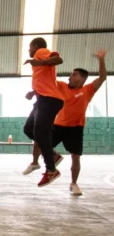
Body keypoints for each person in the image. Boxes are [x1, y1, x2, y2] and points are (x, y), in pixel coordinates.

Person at [23, 49, 107, 194]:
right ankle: (35, 162)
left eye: (74, 75)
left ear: (81, 79)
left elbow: (103, 77)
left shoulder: (88, 90)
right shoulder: (60, 86)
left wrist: (101, 59)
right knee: (39, 138)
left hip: (75, 127)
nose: (70, 76)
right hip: (58, 125)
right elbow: (45, 87)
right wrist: (33, 92)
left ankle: (74, 184)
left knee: (75, 157)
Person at [22, 37, 65, 187]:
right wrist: (33, 92)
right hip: (42, 99)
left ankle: (51, 170)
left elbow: (58, 60)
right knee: (28, 129)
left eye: (30, 47)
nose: (29, 50)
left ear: (36, 46)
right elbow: (45, 79)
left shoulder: (41, 51)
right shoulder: (39, 58)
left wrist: (39, 61)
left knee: (40, 133)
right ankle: (52, 155)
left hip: (50, 100)